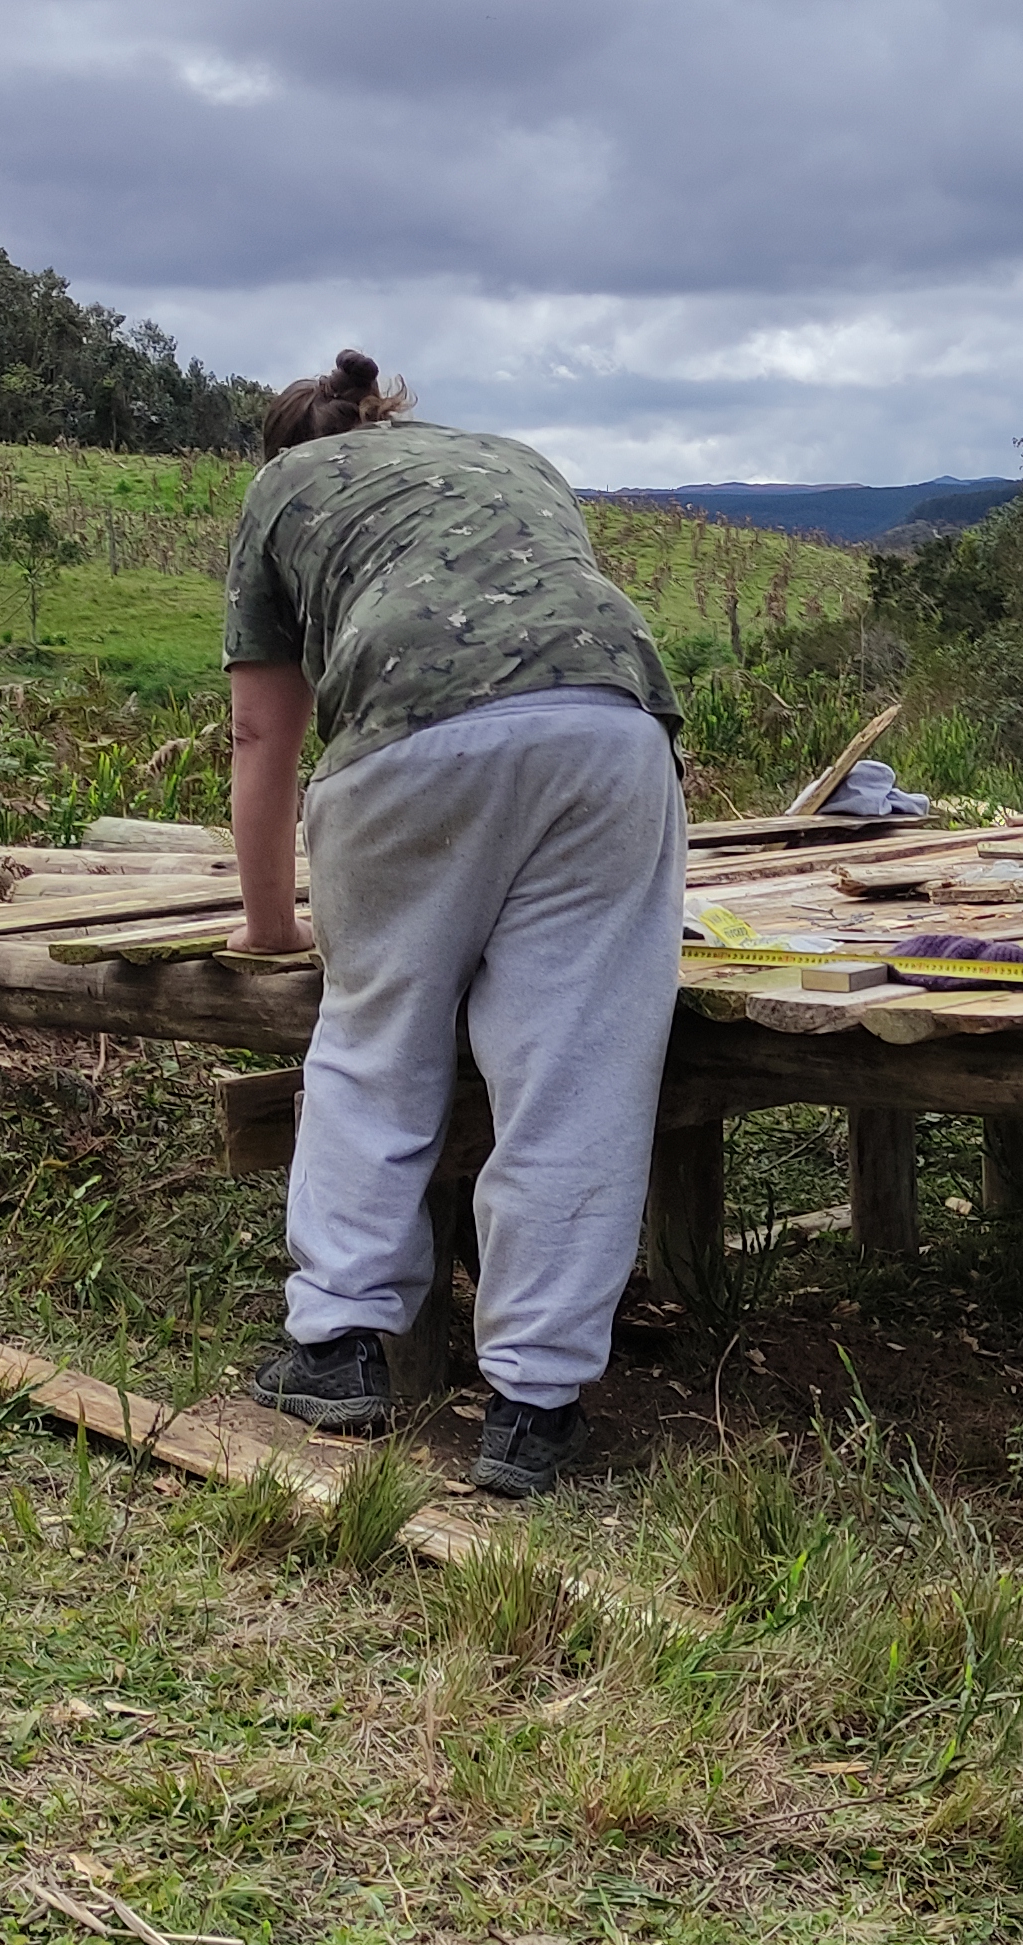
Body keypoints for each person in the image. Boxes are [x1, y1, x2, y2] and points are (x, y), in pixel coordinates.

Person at [218, 350, 683, 1493]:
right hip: (612, 735)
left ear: (291, 443)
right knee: (576, 1068)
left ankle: (337, 1349)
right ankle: (534, 1409)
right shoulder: (514, 458)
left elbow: (262, 730)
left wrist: (270, 924)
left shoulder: (281, 488)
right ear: (389, 417)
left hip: (410, 741)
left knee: (377, 1036)